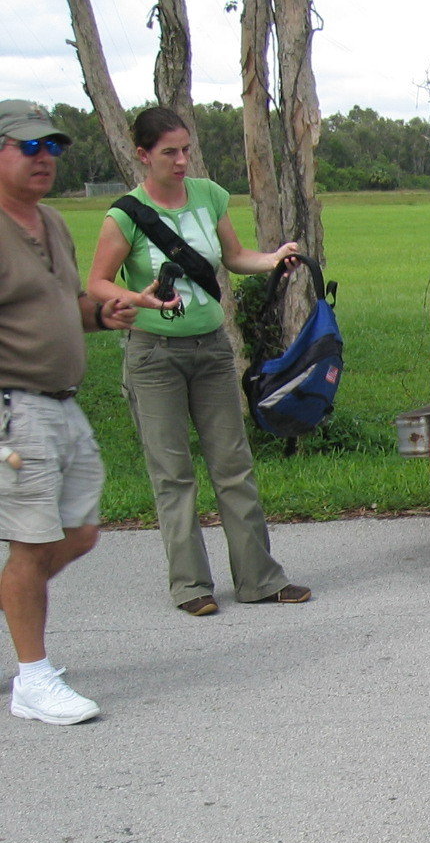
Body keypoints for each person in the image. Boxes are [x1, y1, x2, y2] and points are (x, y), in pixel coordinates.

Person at [88, 106, 309, 617]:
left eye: (186, 149)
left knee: (233, 465)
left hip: (210, 348)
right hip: (154, 355)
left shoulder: (209, 196)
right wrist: (139, 300)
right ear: (143, 156)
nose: (182, 160)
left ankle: (258, 579)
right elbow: (96, 283)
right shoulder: (126, 213)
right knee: (173, 473)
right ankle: (190, 586)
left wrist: (274, 258)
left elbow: (234, 257)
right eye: (170, 152)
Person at [1, 99, 163, 726]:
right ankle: (33, 680)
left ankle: (18, 621)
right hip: (16, 407)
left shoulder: (51, 223)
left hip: (61, 403)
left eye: (54, 148)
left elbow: (62, 305)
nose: (46, 159)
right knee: (31, 538)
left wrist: (105, 312)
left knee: (81, 532)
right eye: (30, 147)